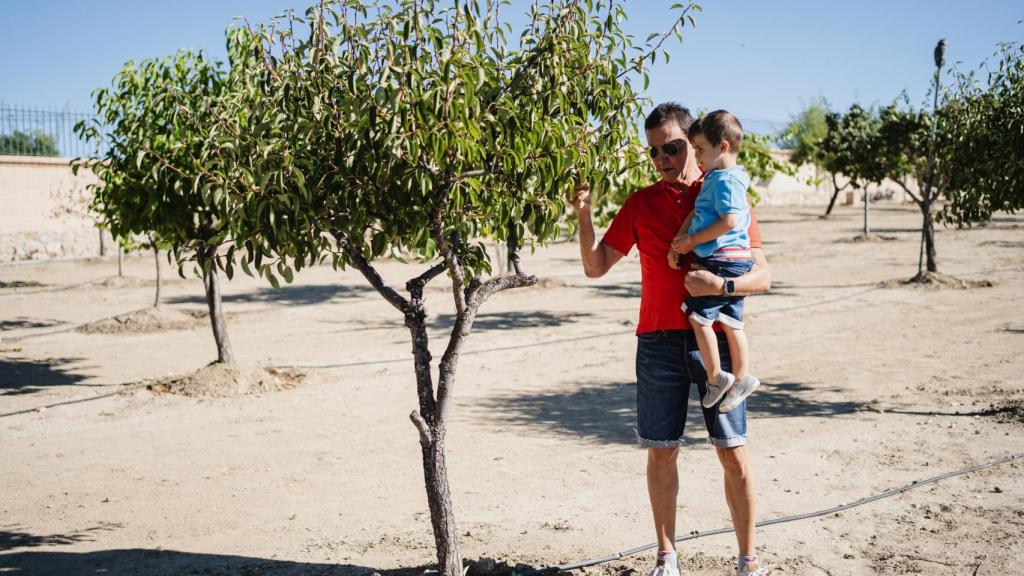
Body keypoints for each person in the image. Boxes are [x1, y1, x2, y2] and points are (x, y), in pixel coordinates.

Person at [568, 102, 772, 576]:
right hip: (657, 342)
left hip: (715, 341)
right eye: (655, 151)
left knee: (733, 451)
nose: (663, 159)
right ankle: (667, 558)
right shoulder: (640, 204)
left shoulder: (724, 192)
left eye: (673, 147)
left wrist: (719, 287)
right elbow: (595, 267)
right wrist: (584, 216)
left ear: (695, 143)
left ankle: (748, 560)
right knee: (662, 451)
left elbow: (762, 276)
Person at [669, 110, 760, 414]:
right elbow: (697, 213)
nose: (696, 157)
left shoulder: (722, 180)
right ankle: (743, 377)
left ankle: (716, 376)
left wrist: (692, 241)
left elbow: (729, 221)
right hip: (737, 261)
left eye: (700, 150)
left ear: (722, 147)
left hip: (721, 261)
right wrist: (682, 239)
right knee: (733, 322)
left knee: (698, 318)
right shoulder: (728, 178)